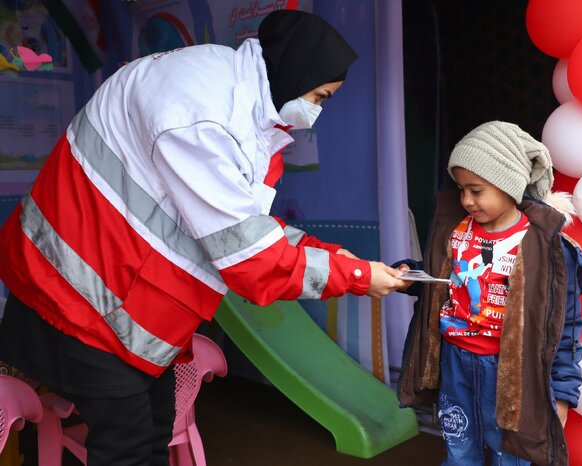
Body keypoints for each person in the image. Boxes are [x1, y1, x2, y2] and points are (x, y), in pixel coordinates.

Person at [0, 10, 405, 465]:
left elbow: (244, 224)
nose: (317, 111)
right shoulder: (203, 114)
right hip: (76, 292)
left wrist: (333, 255)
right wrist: (355, 275)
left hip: (115, 293)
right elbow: (249, 259)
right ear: (297, 72)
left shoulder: (236, 99)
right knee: (128, 444)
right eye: (319, 96)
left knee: (154, 429)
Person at [393, 121, 582, 466]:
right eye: (460, 189)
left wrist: (562, 394)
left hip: (511, 374)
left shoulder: (546, 247)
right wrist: (409, 275)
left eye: (476, 189)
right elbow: (445, 279)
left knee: (510, 458)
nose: (466, 200)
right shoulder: (455, 230)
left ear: (508, 185)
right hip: (454, 364)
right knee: (459, 453)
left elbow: (565, 327)